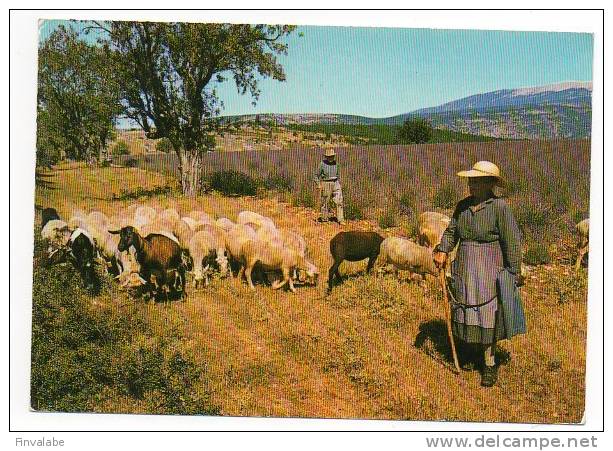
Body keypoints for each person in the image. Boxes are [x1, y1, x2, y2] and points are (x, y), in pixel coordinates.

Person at [433, 161, 526, 387]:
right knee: (465, 308)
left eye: (477, 181)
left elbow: (512, 241)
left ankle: (489, 364)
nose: (471, 185)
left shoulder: (499, 207)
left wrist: (513, 272)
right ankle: (468, 352)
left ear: (489, 184)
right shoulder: (463, 206)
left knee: (488, 313)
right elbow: (452, 231)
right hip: (464, 266)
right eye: (470, 181)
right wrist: (443, 250)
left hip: (489, 268)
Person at [315, 148, 345, 225]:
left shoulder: (336, 164)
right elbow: (316, 175)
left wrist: (338, 182)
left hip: (335, 182)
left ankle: (340, 219)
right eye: (329, 156)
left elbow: (338, 174)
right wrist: (318, 184)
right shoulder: (322, 164)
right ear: (326, 157)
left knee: (339, 200)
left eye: (332, 156)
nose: (331, 158)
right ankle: (324, 218)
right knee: (325, 202)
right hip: (326, 183)